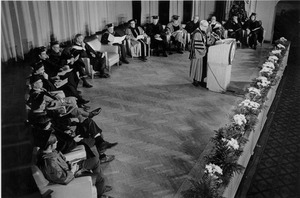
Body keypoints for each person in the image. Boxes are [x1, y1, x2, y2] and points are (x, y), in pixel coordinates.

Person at [36, 133, 114, 198]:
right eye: (55, 142)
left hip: (70, 169)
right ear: (50, 146)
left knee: (95, 160)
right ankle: (100, 194)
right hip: (70, 177)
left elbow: (64, 160)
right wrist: (73, 171)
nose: (57, 142)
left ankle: (99, 187)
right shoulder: (50, 162)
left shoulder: (51, 152)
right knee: (100, 178)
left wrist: (71, 165)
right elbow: (63, 179)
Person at [189, 20, 215, 88]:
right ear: (201, 26)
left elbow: (206, 41)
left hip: (201, 53)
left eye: (207, 26)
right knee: (197, 67)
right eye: (205, 26)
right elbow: (199, 45)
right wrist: (206, 49)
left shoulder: (202, 32)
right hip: (197, 53)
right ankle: (196, 81)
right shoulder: (197, 33)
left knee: (202, 67)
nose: (206, 28)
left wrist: (212, 41)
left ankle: (201, 80)